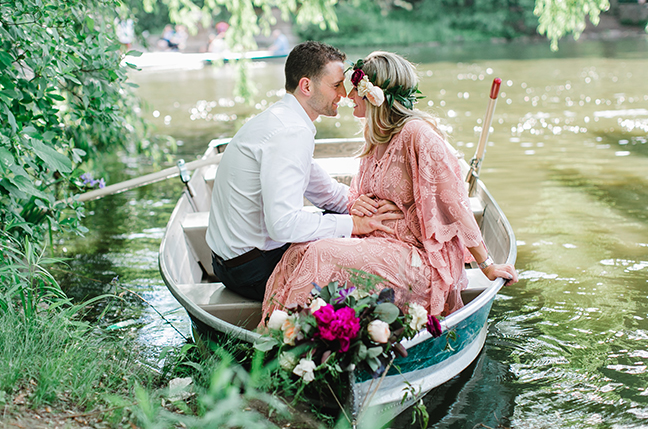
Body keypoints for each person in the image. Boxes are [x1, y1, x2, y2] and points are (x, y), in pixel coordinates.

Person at [261, 51, 518, 322]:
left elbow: (455, 205)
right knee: (298, 249)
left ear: (373, 95)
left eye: (352, 89)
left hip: (417, 257)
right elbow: (360, 194)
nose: (347, 96)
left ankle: (291, 341)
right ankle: (275, 332)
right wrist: (357, 203)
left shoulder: (417, 135)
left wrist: (487, 265)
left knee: (319, 253)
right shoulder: (374, 138)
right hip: (376, 241)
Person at [205, 42, 403, 301]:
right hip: (252, 271)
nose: (344, 93)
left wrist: (362, 204)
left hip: (229, 262)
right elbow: (283, 226)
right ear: (307, 86)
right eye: (335, 85)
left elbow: (324, 190)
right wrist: (355, 223)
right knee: (366, 260)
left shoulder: (281, 119)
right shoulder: (290, 132)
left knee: (339, 220)